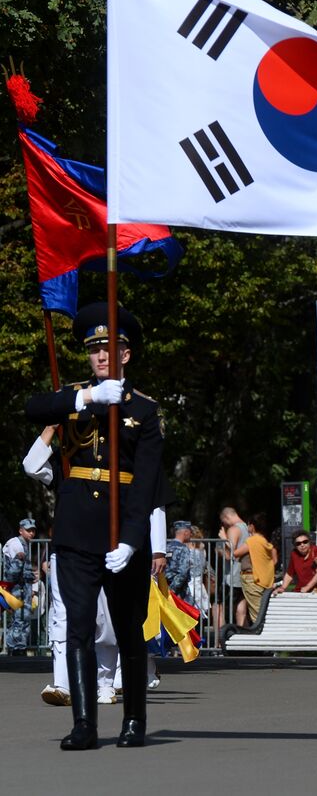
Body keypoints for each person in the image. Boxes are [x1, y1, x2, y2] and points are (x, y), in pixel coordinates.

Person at [24, 303, 163, 749]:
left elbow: (144, 486)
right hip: (77, 528)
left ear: (126, 354)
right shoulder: (73, 398)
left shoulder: (144, 410)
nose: (101, 356)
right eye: (94, 350)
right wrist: (84, 399)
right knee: (79, 627)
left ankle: (134, 720)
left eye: (109, 348)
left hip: (122, 531)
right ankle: (84, 724)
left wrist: (130, 540)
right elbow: (33, 407)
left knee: (127, 627)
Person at [3, 517, 38, 653]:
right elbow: (12, 574)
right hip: (17, 589)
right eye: (28, 530)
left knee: (23, 618)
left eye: (33, 530)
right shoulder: (15, 544)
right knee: (19, 618)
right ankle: (16, 648)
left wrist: (29, 576)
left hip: (23, 588)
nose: (31, 533)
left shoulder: (23, 544)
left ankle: (18, 646)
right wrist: (19, 559)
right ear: (21, 530)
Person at [235, 513, 277, 620]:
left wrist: (225, 538)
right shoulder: (264, 541)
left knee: (257, 612)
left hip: (252, 579)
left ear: (252, 526)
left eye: (248, 525)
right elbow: (274, 559)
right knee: (262, 608)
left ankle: (261, 632)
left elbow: (235, 553)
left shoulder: (252, 541)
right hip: (264, 579)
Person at [217, 508, 251, 626]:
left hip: (232, 576)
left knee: (219, 607)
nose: (224, 525)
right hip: (245, 575)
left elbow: (228, 555)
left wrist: (222, 541)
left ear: (226, 518)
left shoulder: (234, 529)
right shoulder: (249, 529)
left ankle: (220, 641)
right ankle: (240, 636)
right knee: (241, 606)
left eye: (224, 522)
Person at [275, 529, 317, 595]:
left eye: (305, 542)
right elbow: (290, 574)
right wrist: (283, 587)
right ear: (295, 546)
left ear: (309, 542)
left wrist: (307, 587)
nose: (302, 545)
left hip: (316, 591)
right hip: (300, 590)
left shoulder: (316, 550)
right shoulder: (294, 554)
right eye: (298, 543)